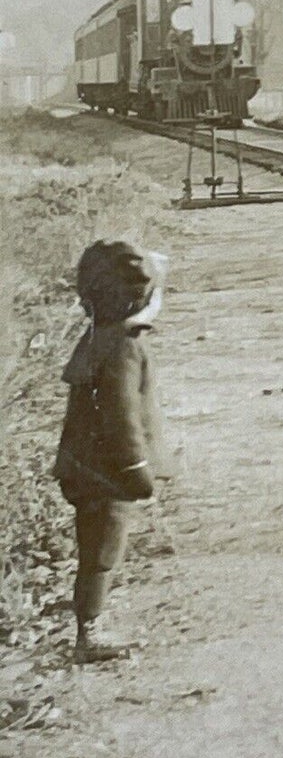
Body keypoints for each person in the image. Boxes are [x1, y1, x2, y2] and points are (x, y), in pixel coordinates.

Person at [53, 241, 169, 664]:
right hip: (108, 471)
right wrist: (137, 467)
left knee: (95, 545)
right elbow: (122, 416)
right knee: (102, 549)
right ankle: (90, 631)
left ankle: (88, 622)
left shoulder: (98, 338)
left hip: (85, 464)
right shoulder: (124, 346)